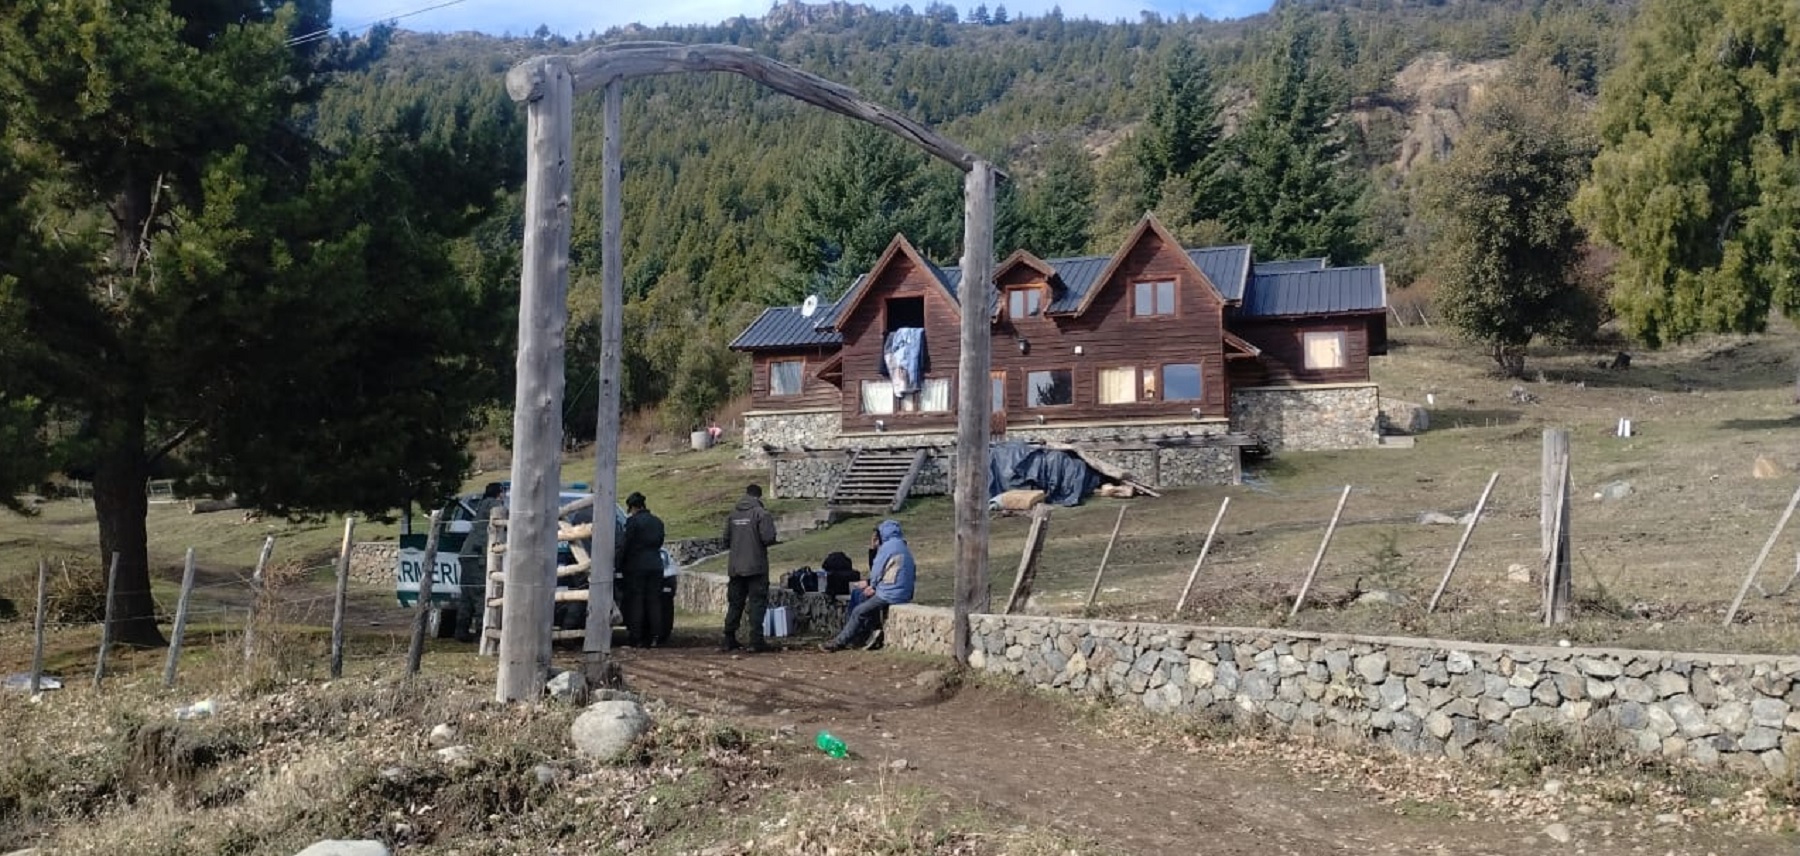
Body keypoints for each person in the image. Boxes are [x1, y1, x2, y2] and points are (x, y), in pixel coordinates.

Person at [821, 519, 914, 652]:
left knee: (858, 610)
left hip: (890, 594)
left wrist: (873, 585)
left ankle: (840, 642)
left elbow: (876, 571)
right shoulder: (902, 546)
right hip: (903, 592)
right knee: (860, 595)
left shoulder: (887, 548)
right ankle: (863, 634)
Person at [722, 483, 778, 652]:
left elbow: (725, 540)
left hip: (735, 567)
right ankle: (756, 641)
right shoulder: (761, 514)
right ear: (758, 497)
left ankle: (729, 638)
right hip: (756, 567)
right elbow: (768, 538)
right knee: (757, 603)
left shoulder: (732, 515)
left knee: (735, 603)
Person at [455, 482, 505, 643]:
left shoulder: (480, 505)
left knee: (467, 595)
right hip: (478, 555)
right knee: (480, 593)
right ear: (500, 493)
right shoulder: (494, 504)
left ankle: (461, 630)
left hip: (467, 553)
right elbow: (507, 517)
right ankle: (481, 631)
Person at [616, 491, 666, 647]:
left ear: (632, 507)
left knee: (636, 601)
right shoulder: (657, 522)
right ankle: (655, 636)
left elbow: (625, 545)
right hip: (656, 565)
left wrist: (618, 563)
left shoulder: (633, 523)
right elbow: (660, 542)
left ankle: (636, 637)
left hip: (636, 566)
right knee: (654, 601)